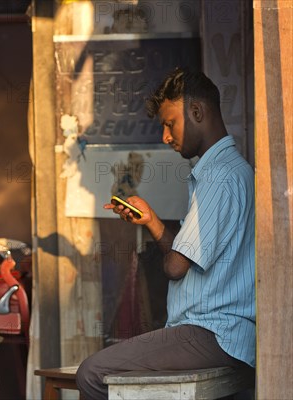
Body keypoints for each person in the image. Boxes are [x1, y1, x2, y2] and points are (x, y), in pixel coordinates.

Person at [75, 68, 256, 399]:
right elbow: (193, 252)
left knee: (93, 373)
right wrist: (152, 222)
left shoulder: (218, 178)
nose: (165, 136)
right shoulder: (235, 172)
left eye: (169, 123)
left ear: (197, 112)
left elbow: (175, 266)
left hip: (212, 333)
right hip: (224, 335)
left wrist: (159, 238)